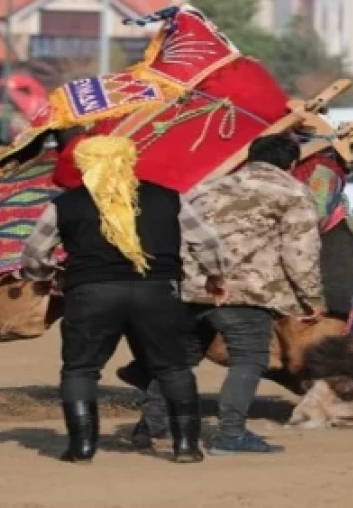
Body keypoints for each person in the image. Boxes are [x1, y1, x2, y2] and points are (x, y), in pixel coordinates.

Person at [20, 135, 227, 464]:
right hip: (157, 291)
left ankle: (82, 448)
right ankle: (186, 446)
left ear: (84, 164)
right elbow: (208, 243)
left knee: (81, 369)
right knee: (173, 368)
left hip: (90, 293)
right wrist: (216, 276)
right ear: (129, 160)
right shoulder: (169, 198)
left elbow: (33, 254)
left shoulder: (64, 204)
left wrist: (45, 276)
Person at [126, 134, 324, 455]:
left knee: (180, 360)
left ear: (249, 157)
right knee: (249, 359)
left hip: (190, 290)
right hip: (245, 291)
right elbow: (300, 251)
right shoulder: (292, 193)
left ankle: (150, 424)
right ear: (291, 164)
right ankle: (231, 434)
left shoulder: (207, 188)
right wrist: (311, 297)